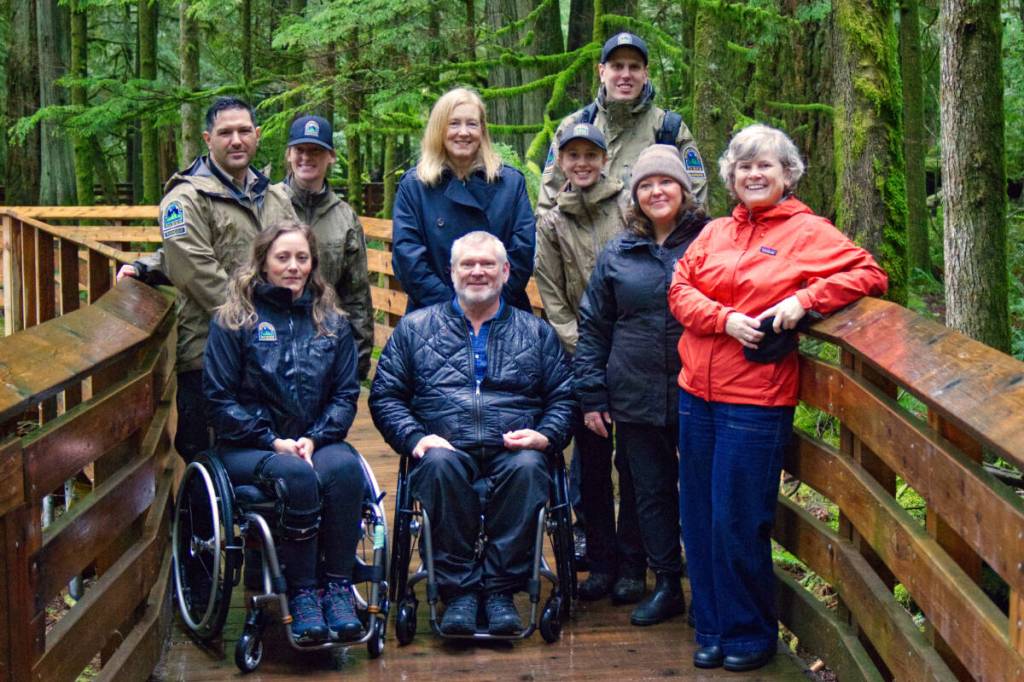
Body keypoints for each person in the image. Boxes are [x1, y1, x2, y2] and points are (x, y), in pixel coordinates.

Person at [668, 124, 888, 671]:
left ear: (787, 174)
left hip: (755, 399)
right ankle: (713, 626)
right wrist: (724, 319)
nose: (754, 174)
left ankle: (749, 632)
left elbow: (869, 273)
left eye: (766, 165)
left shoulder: (807, 231)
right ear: (731, 178)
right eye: (744, 166)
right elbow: (679, 288)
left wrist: (806, 300)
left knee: (737, 518)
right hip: (696, 391)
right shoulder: (715, 230)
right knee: (697, 514)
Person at [369, 231, 575, 636]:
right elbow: (386, 395)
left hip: (514, 445)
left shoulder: (535, 332)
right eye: (468, 264)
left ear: (505, 272)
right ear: (452, 272)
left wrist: (546, 436)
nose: (477, 272)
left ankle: (500, 591)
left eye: (487, 264)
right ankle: (459, 592)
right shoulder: (414, 329)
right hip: (445, 444)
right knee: (436, 465)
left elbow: (564, 397)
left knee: (531, 467)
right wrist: (415, 438)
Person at [203, 221, 367, 644]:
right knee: (295, 477)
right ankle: (304, 591)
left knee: (346, 471)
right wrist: (270, 439)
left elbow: (346, 393)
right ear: (263, 262)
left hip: (317, 439)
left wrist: (316, 436)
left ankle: (337, 587)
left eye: (302, 258)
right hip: (249, 445)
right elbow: (219, 398)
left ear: (313, 264)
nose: (293, 267)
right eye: (282, 258)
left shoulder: (332, 320)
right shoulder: (235, 320)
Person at [575, 145, 707, 625]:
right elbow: (594, 326)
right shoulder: (619, 251)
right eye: (646, 185)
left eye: (665, 182)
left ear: (683, 189)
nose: (656, 191)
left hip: (699, 390)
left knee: (699, 489)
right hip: (633, 390)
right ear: (635, 196)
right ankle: (667, 583)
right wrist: (592, 392)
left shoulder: (709, 241)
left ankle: (707, 589)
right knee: (648, 491)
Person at [124, 97, 298, 461]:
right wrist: (257, 324)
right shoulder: (184, 199)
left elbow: (295, 255)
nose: (236, 140)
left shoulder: (275, 196)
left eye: (244, 131)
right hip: (209, 354)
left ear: (257, 135)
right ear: (207, 138)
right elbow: (194, 267)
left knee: (271, 452)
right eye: (225, 132)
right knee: (208, 456)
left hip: (273, 352)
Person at [533, 123, 634, 603]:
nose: (582, 164)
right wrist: (587, 351)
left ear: (604, 158)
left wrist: (622, 349)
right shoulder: (552, 222)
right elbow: (551, 294)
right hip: (582, 357)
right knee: (591, 463)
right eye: (572, 156)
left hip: (633, 353)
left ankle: (635, 560)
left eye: (590, 155)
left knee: (634, 462)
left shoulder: (629, 210)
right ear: (562, 162)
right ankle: (601, 558)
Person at [391, 88, 536, 312]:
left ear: (482, 130)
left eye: (472, 124)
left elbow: (522, 253)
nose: (463, 132)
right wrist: (455, 310)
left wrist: (489, 307)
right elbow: (408, 260)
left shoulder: (510, 183)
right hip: (434, 314)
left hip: (502, 312)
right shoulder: (415, 186)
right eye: (454, 123)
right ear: (439, 129)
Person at [537, 32, 707, 214]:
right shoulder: (574, 126)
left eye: (634, 67)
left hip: (652, 238)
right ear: (602, 72)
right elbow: (549, 199)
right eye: (617, 66)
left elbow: (697, 202)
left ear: (645, 74)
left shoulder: (669, 129)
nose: (626, 75)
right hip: (583, 238)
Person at [279, 114, 374, 379]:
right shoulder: (267, 204)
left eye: (316, 151)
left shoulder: (345, 217)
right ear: (288, 154)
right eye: (300, 150)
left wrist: (358, 363)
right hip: (273, 345)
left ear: (330, 156)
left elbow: (357, 295)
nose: (306, 158)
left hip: (327, 346)